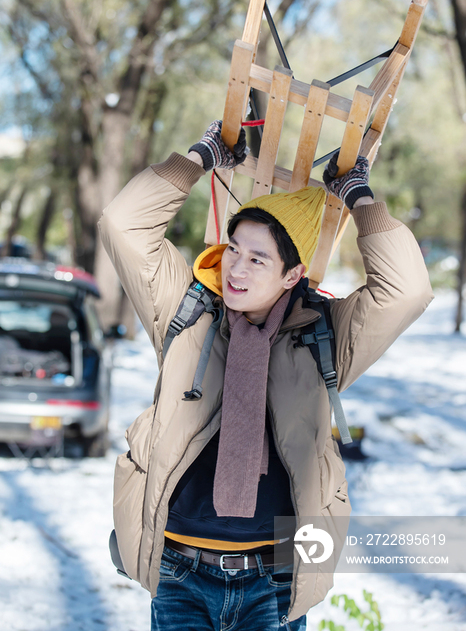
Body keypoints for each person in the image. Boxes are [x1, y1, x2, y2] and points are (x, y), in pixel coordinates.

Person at [99, 120, 433, 631]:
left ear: (292, 275)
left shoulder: (322, 334)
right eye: (235, 248)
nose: (236, 268)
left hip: (273, 580)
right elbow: (122, 223)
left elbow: (406, 289)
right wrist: (201, 156)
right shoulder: (187, 311)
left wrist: (358, 195)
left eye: (259, 259)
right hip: (179, 574)